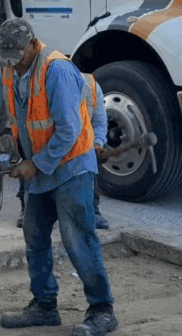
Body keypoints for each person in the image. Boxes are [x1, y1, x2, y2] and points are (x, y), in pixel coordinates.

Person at [0, 18, 118, 336]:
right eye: (8, 60)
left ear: (33, 44)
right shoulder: (8, 67)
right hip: (42, 169)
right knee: (35, 234)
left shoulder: (57, 71)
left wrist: (36, 164)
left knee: (78, 239)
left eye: (18, 58)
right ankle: (45, 305)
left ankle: (102, 311)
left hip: (72, 167)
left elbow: (70, 130)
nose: (13, 66)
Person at [15, 73, 111, 230]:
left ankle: (93, 210)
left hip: (80, 141)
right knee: (29, 159)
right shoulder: (48, 87)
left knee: (88, 162)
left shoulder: (91, 85)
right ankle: (27, 207)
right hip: (51, 140)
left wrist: (97, 144)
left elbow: (100, 121)